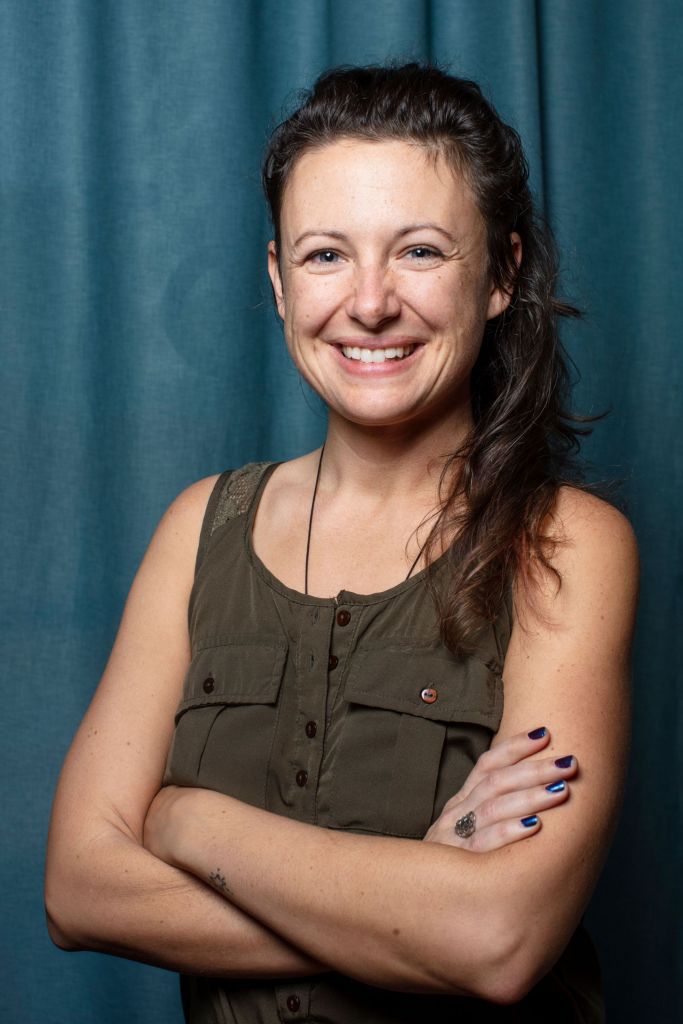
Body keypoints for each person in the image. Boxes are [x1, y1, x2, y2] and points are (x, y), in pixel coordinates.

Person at [45, 63, 638, 1022]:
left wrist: (182, 820)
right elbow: (77, 888)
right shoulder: (200, 528)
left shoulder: (568, 546)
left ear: (502, 274)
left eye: (418, 252)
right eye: (325, 255)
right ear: (278, 282)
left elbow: (499, 940)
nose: (368, 303)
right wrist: (416, 904)